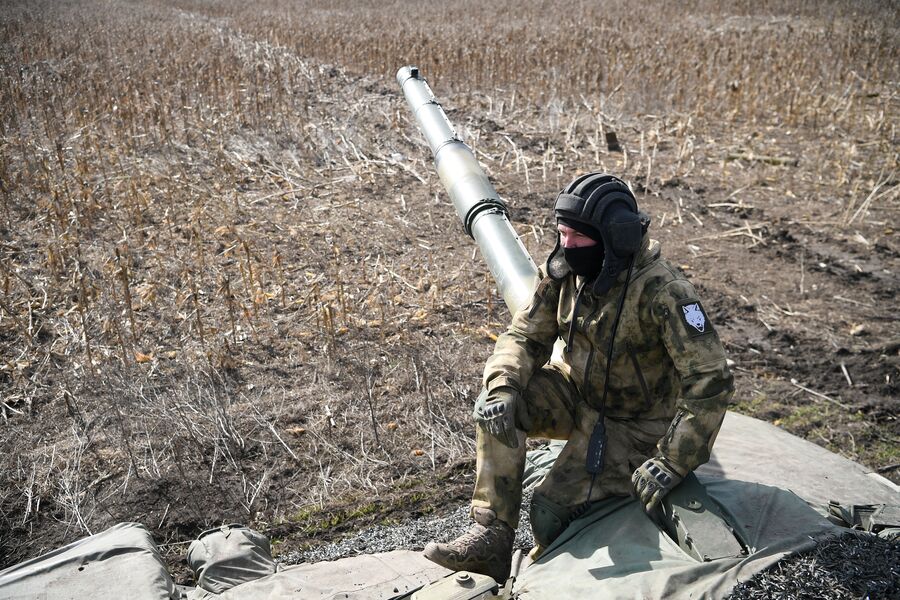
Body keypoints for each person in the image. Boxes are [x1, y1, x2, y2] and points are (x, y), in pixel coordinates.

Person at [423, 172, 735, 582]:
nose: (567, 245)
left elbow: (710, 379)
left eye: (578, 237)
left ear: (615, 239)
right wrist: (503, 383)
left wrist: (673, 460)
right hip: (575, 393)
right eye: (562, 233)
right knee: (496, 406)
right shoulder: (566, 270)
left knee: (548, 514)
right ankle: (492, 535)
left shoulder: (665, 292)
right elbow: (525, 335)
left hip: (635, 425)